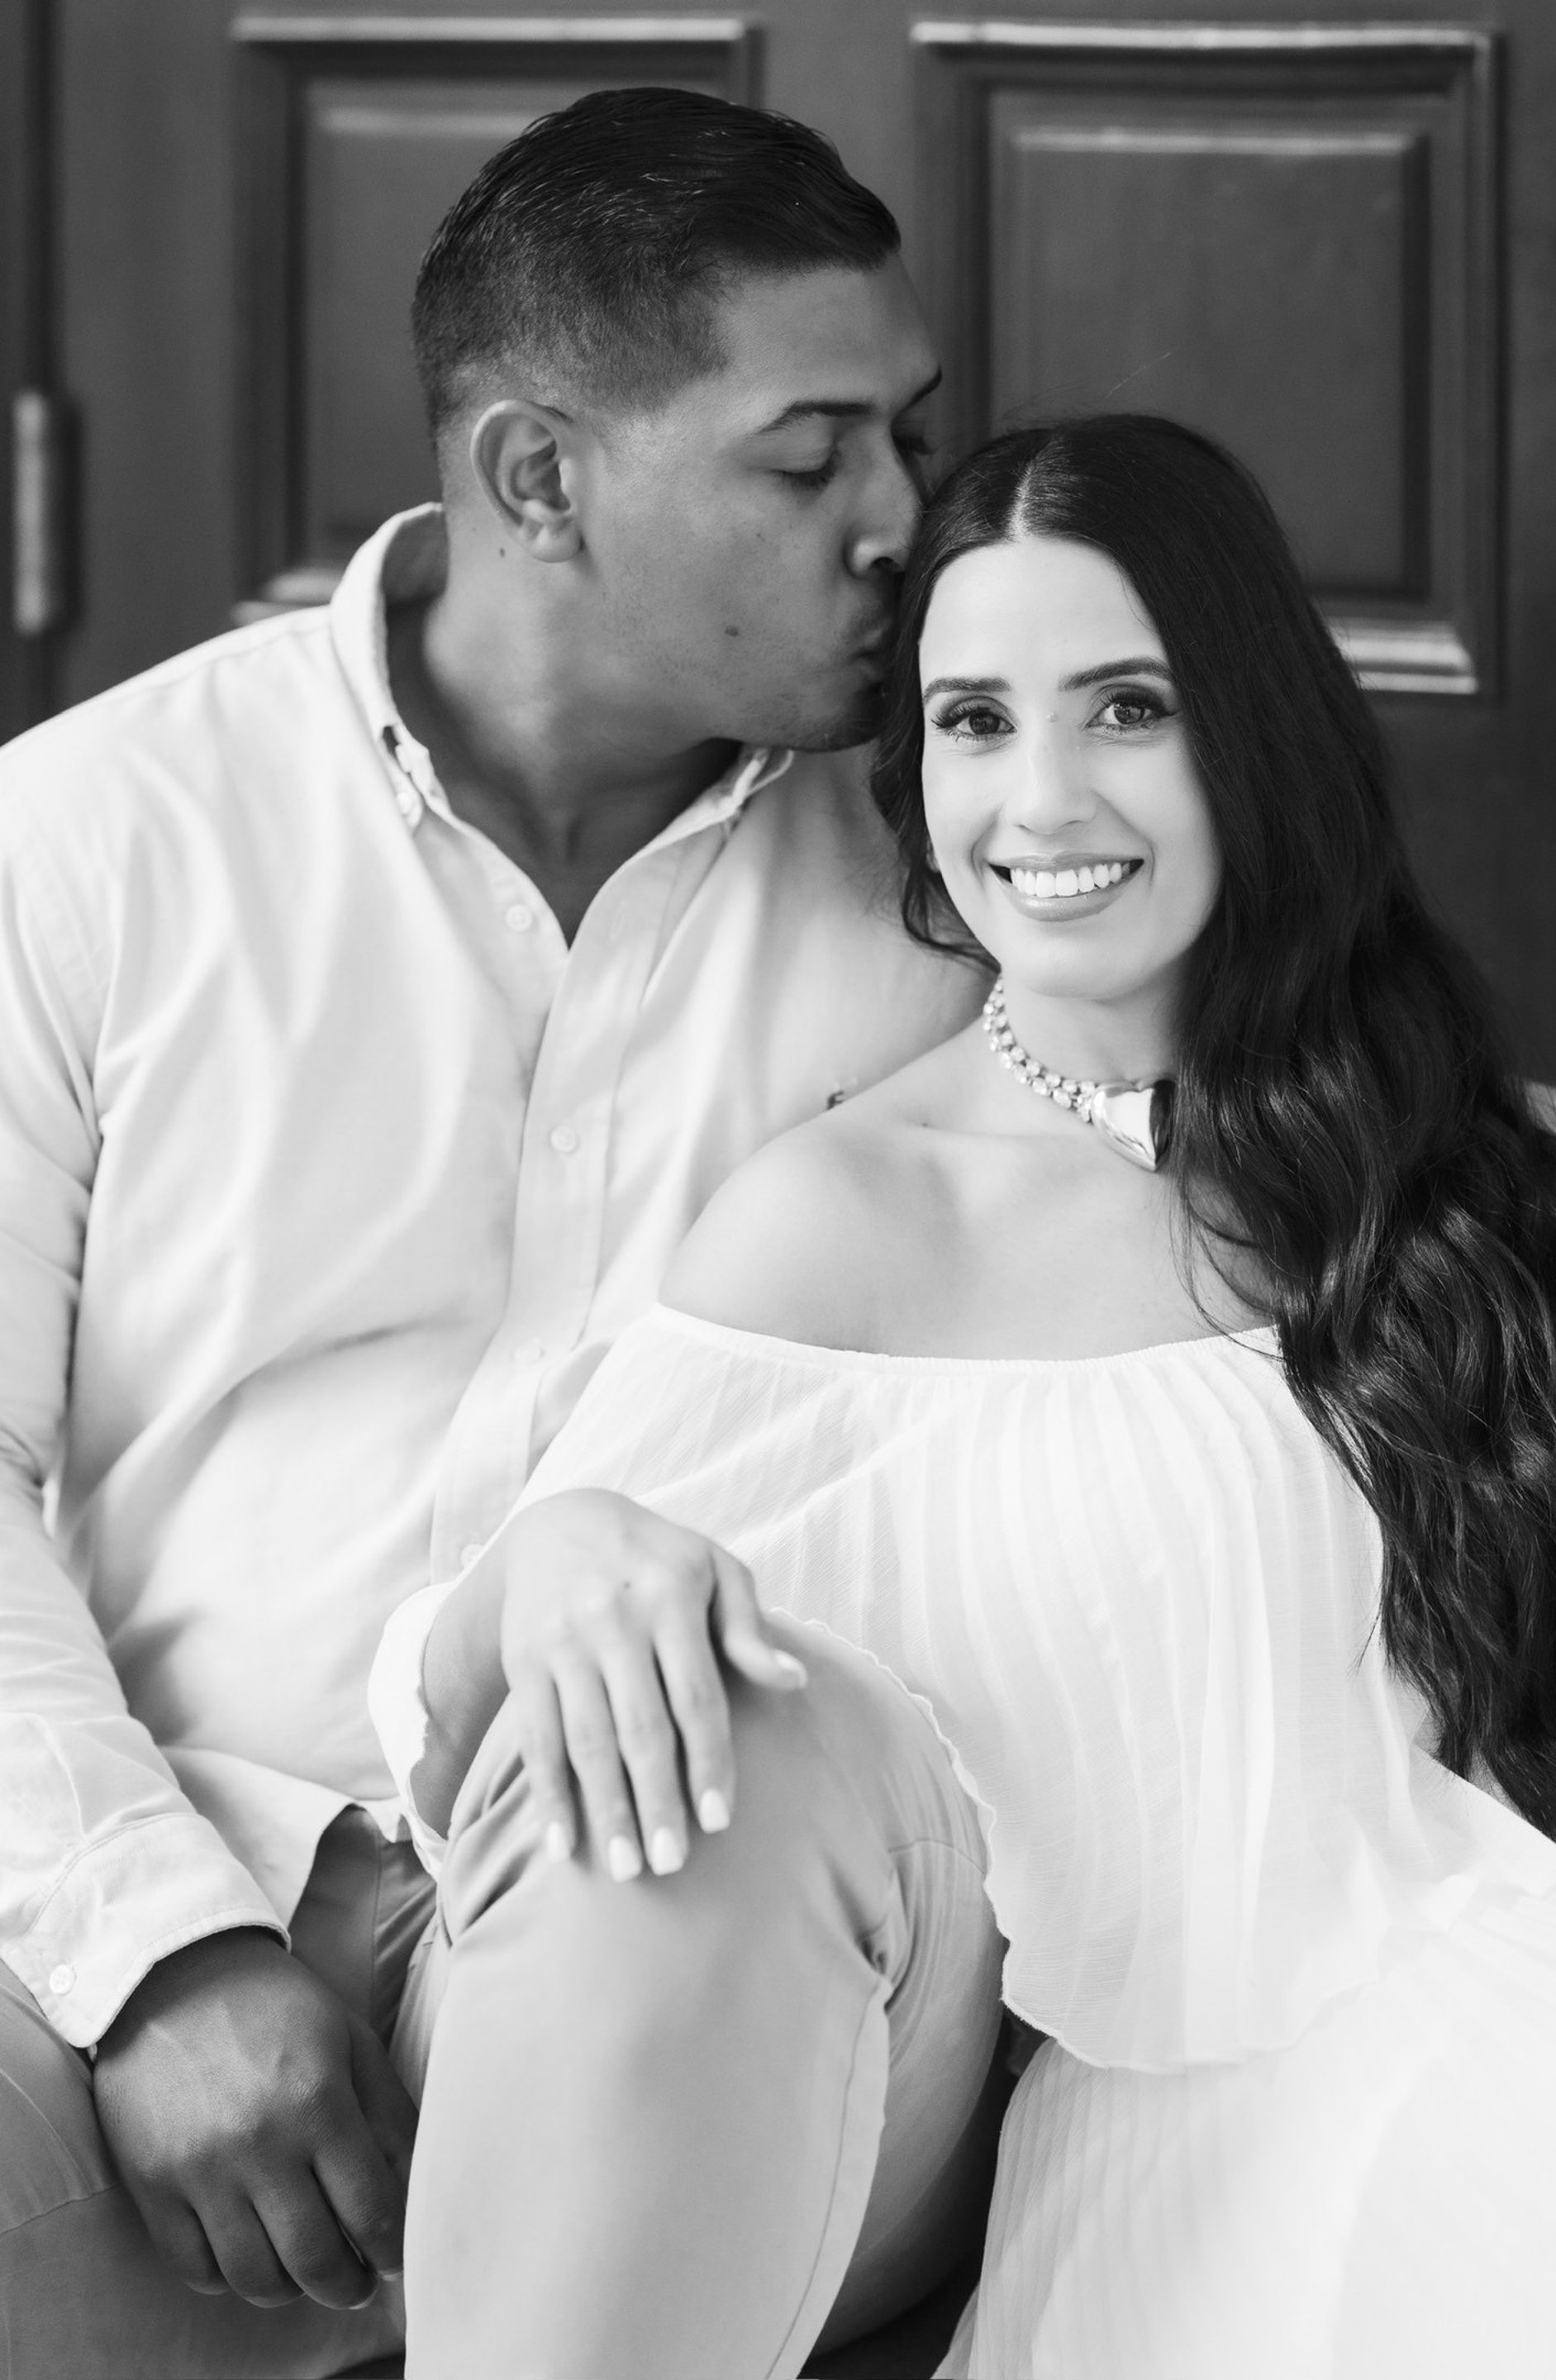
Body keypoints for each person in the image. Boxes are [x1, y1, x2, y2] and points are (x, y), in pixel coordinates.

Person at [378, 415, 1556, 2379]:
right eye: (973, 721)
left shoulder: (1502, 1175)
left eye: (1126, 708)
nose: (1041, 798)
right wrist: (550, 1558)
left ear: (1257, 733)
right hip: (1172, 2151)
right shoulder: (840, 1227)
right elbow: (528, 1724)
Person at [0, 89, 989, 2378]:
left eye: (910, 438)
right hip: (169, 1893)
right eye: (811, 457)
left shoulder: (972, 868)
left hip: (735, 1914)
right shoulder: (90, 836)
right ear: (539, 477)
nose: (900, 523)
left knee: (684, 1811)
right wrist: (155, 1953)